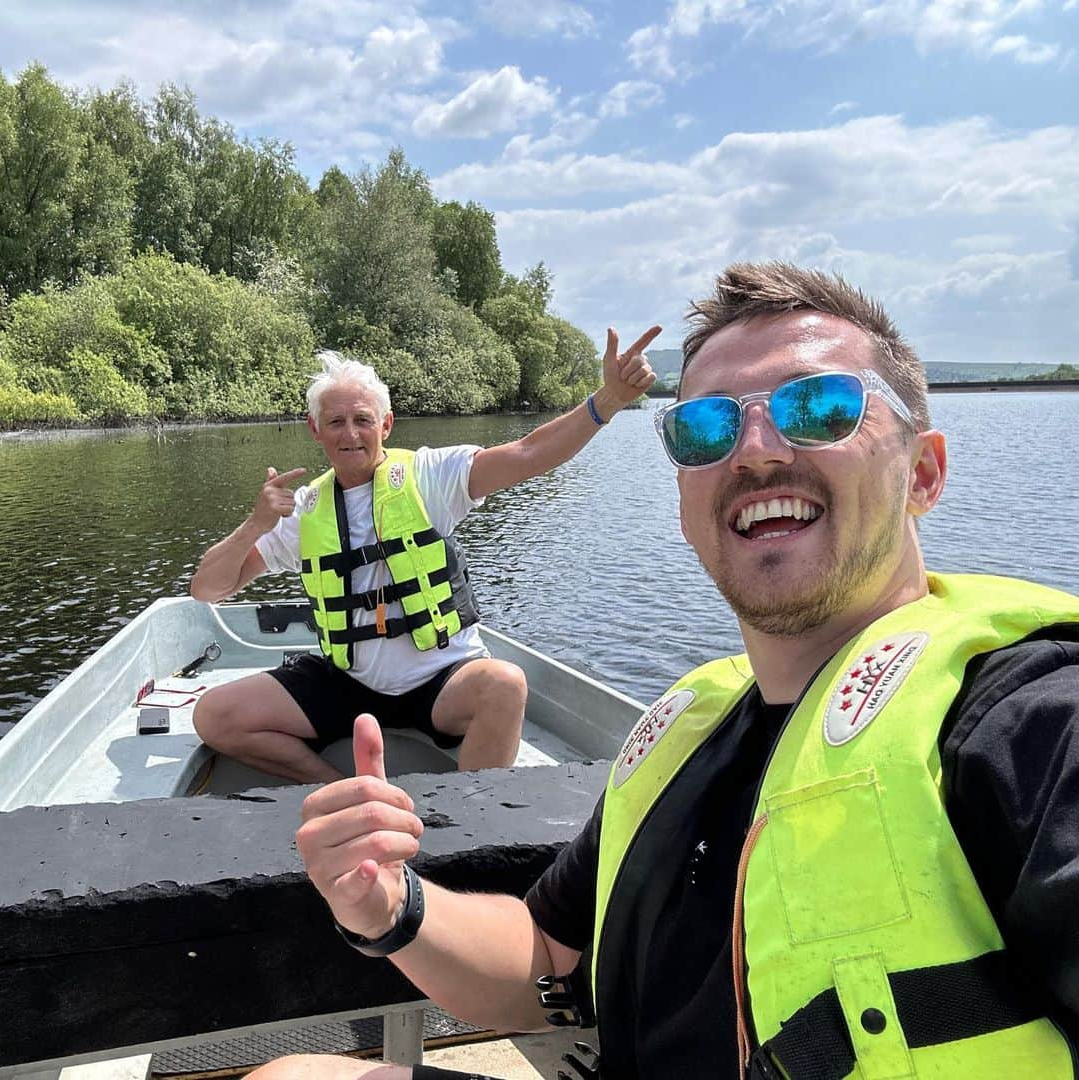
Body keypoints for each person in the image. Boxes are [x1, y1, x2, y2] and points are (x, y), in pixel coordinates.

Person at [247, 263, 1079, 1079]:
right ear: (686, 501)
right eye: (708, 429)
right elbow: (543, 955)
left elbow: (531, 451)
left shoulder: (1028, 718)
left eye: (818, 409)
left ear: (923, 473)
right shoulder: (685, 730)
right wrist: (393, 906)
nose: (754, 451)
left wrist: (601, 404)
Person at [190, 329, 658, 782]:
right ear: (316, 429)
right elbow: (207, 588)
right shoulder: (302, 511)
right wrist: (255, 524)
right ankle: (343, 789)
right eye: (335, 422)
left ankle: (465, 830)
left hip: (440, 680)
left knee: (506, 685)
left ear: (386, 425)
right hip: (347, 683)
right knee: (215, 715)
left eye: (362, 420)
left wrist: (609, 400)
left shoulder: (430, 476)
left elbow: (529, 452)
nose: (350, 433)